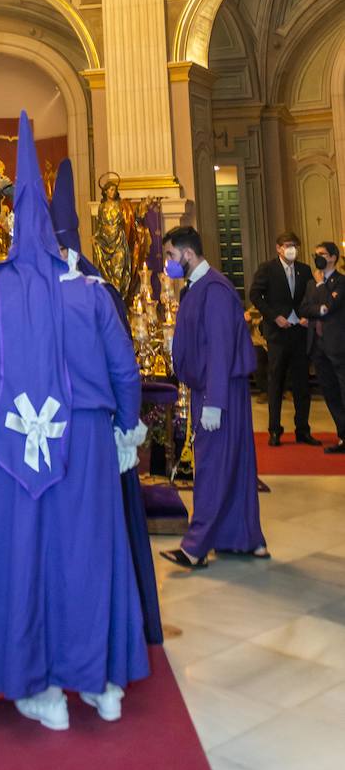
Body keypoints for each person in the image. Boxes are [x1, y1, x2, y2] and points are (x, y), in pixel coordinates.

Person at [0, 115, 148, 730]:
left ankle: (37, 688)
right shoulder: (89, 292)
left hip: (10, 446)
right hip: (84, 441)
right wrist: (126, 429)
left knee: (22, 557)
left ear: (10, 230)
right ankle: (101, 682)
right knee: (86, 556)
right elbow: (126, 372)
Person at [49, 157, 162, 647]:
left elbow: (122, 369)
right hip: (86, 429)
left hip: (78, 430)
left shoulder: (91, 292)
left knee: (86, 531)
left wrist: (123, 427)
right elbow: (122, 370)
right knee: (96, 531)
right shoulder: (95, 291)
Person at [160, 226, 268, 569]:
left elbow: (220, 349)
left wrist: (215, 402)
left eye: (170, 256)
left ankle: (195, 547)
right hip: (210, 388)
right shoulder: (197, 288)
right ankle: (244, 538)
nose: (168, 263)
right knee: (234, 464)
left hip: (216, 390)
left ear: (188, 254)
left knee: (212, 466)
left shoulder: (215, 291)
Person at [249, 232, 319, 447]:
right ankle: (274, 430)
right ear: (278, 248)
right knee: (276, 383)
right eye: (288, 245)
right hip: (278, 333)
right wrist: (274, 316)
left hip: (299, 332)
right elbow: (255, 295)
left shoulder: (305, 270)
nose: (292, 249)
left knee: (301, 384)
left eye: (295, 245)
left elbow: (310, 298)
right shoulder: (268, 269)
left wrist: (307, 315)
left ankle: (303, 429)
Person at [300, 242, 345, 455]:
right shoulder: (311, 283)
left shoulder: (341, 282)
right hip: (317, 347)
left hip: (337, 346)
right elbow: (305, 308)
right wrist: (321, 307)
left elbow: (332, 306)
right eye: (315, 254)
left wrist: (321, 291)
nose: (318, 258)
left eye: (323, 255)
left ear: (334, 257)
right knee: (330, 392)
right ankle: (343, 435)